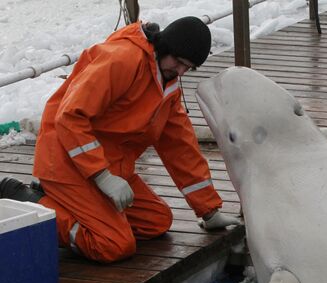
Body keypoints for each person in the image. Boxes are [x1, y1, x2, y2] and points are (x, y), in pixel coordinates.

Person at [0, 17, 240, 263]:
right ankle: (29, 200)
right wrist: (101, 176)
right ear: (163, 47)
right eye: (178, 62)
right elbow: (70, 117)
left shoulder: (166, 85)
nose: (179, 71)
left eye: (187, 67)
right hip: (65, 163)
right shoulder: (122, 59)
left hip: (107, 166)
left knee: (156, 221)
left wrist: (208, 211)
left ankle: (78, 209)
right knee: (113, 245)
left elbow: (181, 148)